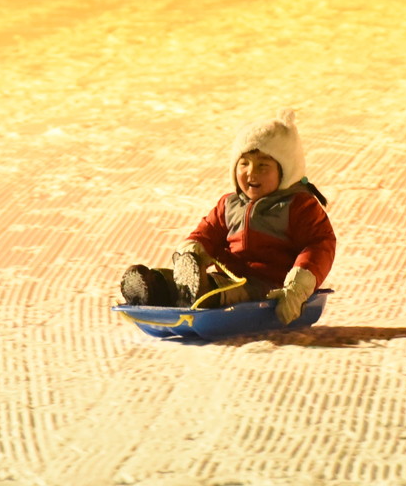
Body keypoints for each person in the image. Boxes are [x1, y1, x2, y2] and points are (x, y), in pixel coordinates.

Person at [119, 110, 336, 325]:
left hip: (271, 286)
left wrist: (297, 288)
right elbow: (208, 231)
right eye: (244, 163)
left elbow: (319, 246)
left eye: (263, 165)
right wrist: (194, 249)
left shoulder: (299, 206)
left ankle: (199, 295)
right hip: (229, 278)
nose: (251, 173)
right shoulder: (229, 204)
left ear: (286, 171)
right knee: (202, 284)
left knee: (221, 292)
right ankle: (154, 286)